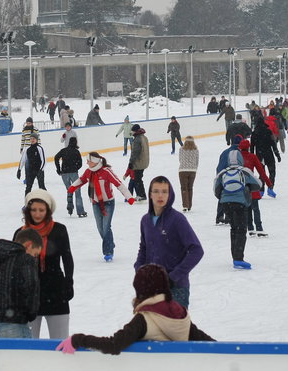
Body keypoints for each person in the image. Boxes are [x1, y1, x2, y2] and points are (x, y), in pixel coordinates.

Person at [55, 264, 214, 355]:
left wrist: (79, 339)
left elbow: (114, 345)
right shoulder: (179, 312)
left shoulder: (144, 319)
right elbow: (201, 338)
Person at [135, 176, 204, 308]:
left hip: (176, 289)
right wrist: (139, 269)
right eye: (156, 191)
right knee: (152, 328)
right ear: (150, 194)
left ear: (170, 194)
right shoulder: (146, 221)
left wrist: (173, 277)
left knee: (173, 328)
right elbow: (144, 248)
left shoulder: (177, 219)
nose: (160, 195)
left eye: (164, 191)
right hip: (151, 288)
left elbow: (196, 250)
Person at [15, 189, 75, 339]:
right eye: (33, 210)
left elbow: (67, 258)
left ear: (48, 210)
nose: (37, 214)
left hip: (55, 291)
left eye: (41, 210)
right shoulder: (20, 233)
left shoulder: (59, 230)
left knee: (60, 342)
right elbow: (14, 264)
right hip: (29, 294)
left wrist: (69, 281)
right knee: (29, 345)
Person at [67, 152, 132, 262]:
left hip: (108, 203)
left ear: (95, 162)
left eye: (89, 161)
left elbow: (118, 184)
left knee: (106, 227)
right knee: (100, 228)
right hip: (95, 203)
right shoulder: (89, 172)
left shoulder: (106, 172)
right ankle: (110, 243)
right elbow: (82, 179)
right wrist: (72, 187)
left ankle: (108, 252)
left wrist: (129, 197)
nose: (87, 162)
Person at [214, 147, 262, 270]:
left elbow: (216, 189)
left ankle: (235, 256)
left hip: (226, 204)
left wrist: (225, 197)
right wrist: (248, 188)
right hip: (240, 203)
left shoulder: (223, 172)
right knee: (241, 230)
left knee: (234, 228)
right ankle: (238, 258)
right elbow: (258, 184)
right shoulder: (244, 171)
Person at [237, 138, 274, 236]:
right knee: (255, 208)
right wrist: (269, 184)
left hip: (241, 186)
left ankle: (250, 228)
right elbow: (261, 172)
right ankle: (259, 228)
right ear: (248, 147)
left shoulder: (238, 158)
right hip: (251, 185)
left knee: (247, 208)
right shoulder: (252, 157)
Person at [54, 136, 86, 217]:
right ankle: (80, 211)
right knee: (77, 192)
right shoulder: (76, 152)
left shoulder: (64, 151)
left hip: (64, 173)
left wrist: (58, 169)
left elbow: (56, 157)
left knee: (69, 190)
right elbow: (80, 163)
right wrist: (75, 168)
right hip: (73, 173)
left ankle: (70, 207)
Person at [129, 124, 150, 201]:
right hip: (144, 161)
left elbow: (135, 152)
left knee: (137, 179)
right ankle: (141, 194)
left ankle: (141, 195)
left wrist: (131, 162)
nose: (132, 132)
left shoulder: (137, 139)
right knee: (139, 178)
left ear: (136, 131)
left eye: (133, 131)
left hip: (139, 163)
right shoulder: (144, 137)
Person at [178, 136, 199, 212]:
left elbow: (180, 159)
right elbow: (197, 161)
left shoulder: (181, 149)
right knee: (190, 188)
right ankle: (189, 205)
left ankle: (185, 205)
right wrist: (194, 168)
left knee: (184, 188)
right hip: (192, 171)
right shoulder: (196, 150)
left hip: (183, 170)